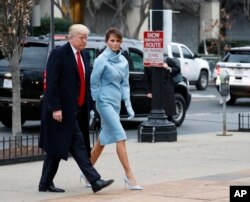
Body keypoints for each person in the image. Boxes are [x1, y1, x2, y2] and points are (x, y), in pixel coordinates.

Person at [38, 24, 114, 193]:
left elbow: (84, 82)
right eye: (81, 38)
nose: (85, 41)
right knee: (78, 144)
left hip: (78, 110)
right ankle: (95, 180)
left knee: (56, 149)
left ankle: (45, 183)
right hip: (62, 111)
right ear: (71, 37)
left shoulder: (84, 55)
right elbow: (51, 84)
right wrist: (55, 108)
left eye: (86, 37)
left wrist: (91, 107)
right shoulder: (58, 55)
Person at [89, 27, 142, 190]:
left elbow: (125, 84)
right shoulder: (101, 60)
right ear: (106, 42)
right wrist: (95, 100)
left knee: (103, 140)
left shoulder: (124, 61)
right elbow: (93, 81)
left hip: (116, 102)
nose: (115, 43)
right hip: (104, 101)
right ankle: (129, 175)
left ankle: (86, 172)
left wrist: (128, 104)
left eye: (118, 41)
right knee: (121, 136)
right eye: (112, 40)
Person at [144, 56, 181, 122]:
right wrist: (149, 91)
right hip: (155, 89)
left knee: (168, 113)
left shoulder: (166, 59)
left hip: (167, 89)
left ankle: (169, 128)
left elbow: (178, 69)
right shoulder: (148, 61)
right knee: (156, 112)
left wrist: (168, 68)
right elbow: (146, 78)